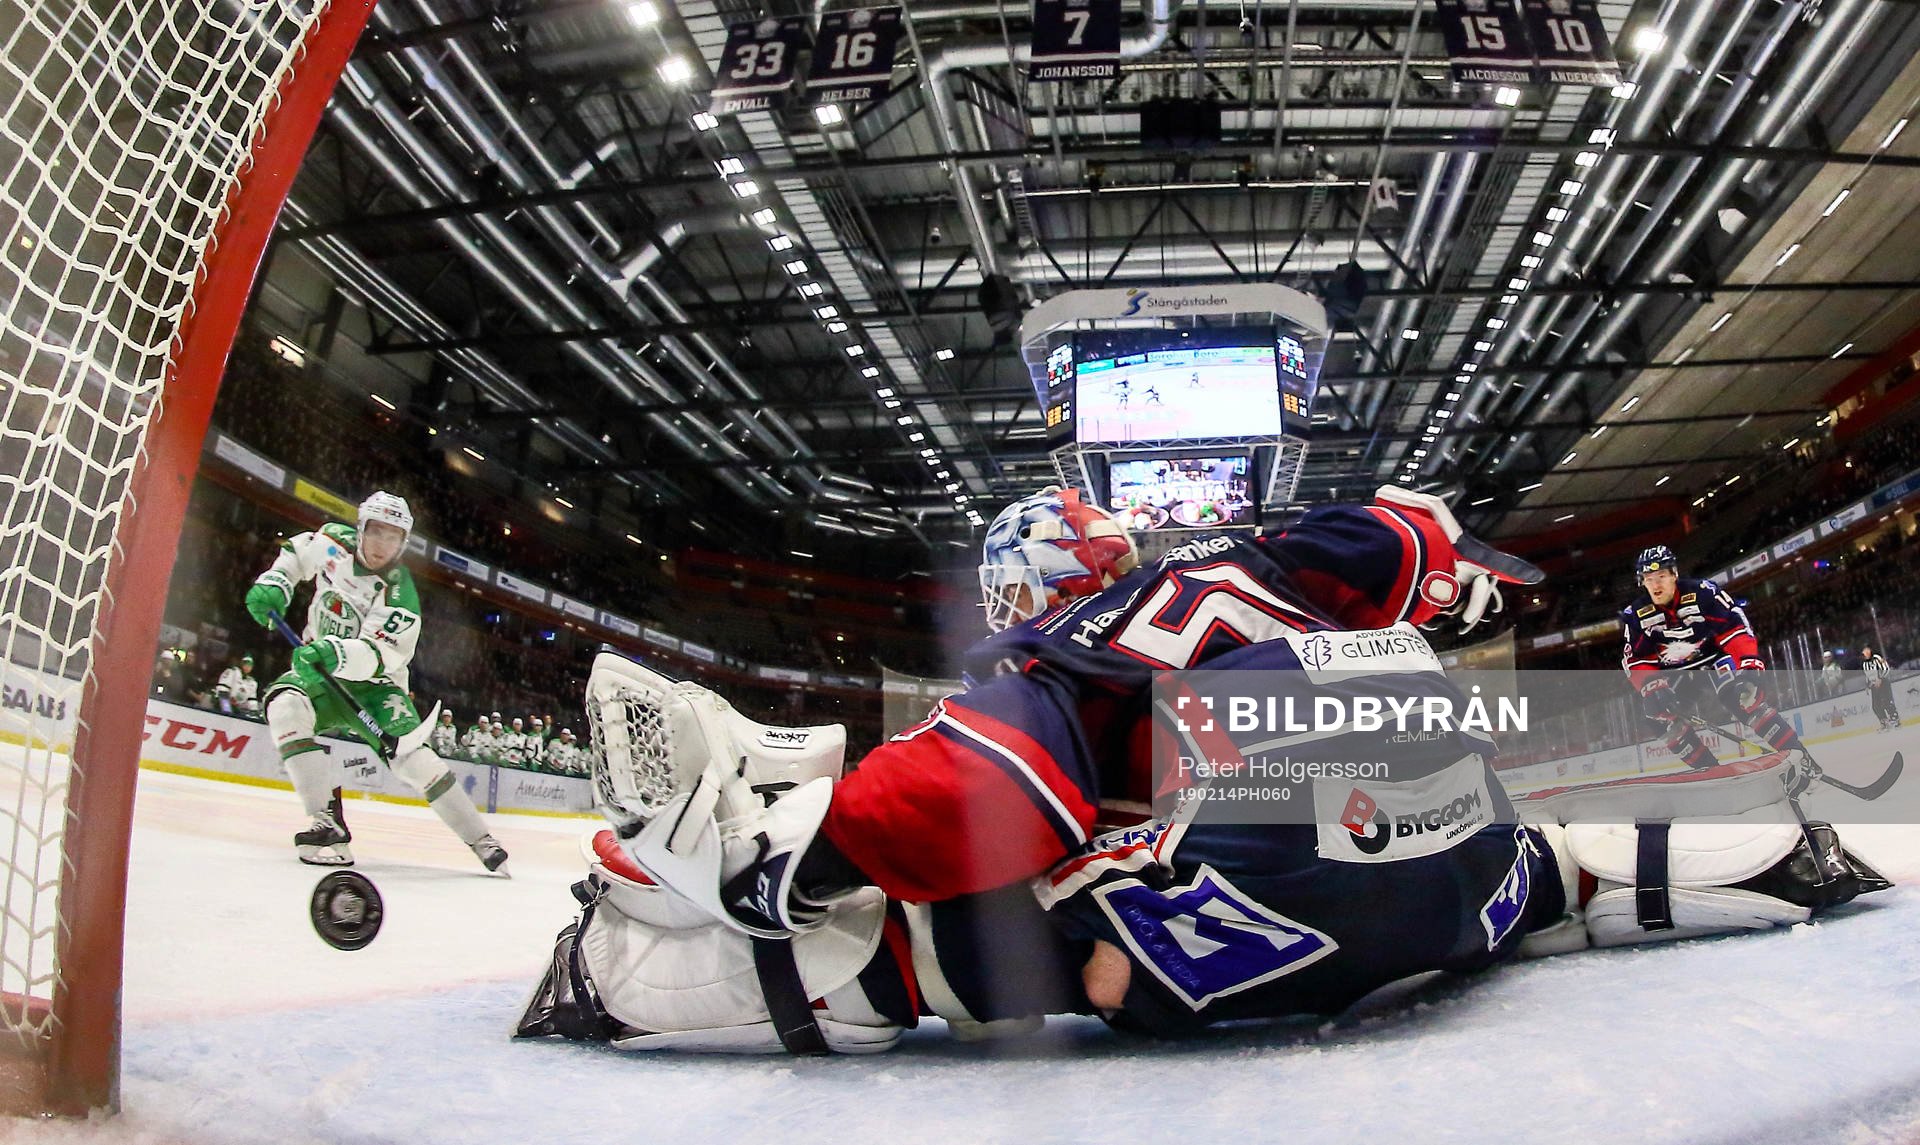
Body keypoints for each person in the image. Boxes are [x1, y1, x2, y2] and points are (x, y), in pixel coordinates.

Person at [515, 489, 1886, 1052]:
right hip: (1454, 826)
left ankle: (615, 981)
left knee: (946, 933)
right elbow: (1417, 536)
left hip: (1279, 889)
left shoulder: (1065, 644)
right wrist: (1455, 578)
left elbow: (983, 801)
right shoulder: (1263, 554)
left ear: (1027, 587)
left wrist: (800, 858)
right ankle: (1762, 858)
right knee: (1523, 854)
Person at [243, 491, 507, 873]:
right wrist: (277, 581)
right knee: (284, 706)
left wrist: (332, 651)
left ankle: (482, 840)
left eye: (393, 536)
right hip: (319, 674)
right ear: (361, 528)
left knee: (414, 760)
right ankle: (325, 821)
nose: (383, 544)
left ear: (404, 542)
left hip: (377, 686)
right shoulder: (332, 541)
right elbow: (297, 553)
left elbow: (380, 654)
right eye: (376, 531)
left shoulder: (400, 592)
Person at [1618, 546, 1823, 796]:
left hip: (1716, 658)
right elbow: (1636, 659)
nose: (1655, 584)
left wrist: (1749, 665)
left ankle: (1803, 763)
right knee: (1658, 718)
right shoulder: (1636, 614)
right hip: (1676, 671)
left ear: (1674, 574)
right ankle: (1714, 778)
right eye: (1649, 579)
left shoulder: (1702, 592)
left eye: (1661, 576)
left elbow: (1735, 628)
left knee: (1744, 698)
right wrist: (1652, 687)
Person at [1863, 645, 1899, 731]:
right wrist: (1867, 685)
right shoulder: (1865, 664)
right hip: (1874, 685)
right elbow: (1867, 675)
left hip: (1883, 683)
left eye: (1867, 650)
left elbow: (1886, 668)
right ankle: (1884, 722)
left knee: (1886, 701)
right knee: (1875, 706)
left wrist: (1881, 679)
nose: (1866, 653)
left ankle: (1895, 719)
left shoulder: (1877, 657)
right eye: (1864, 651)